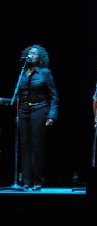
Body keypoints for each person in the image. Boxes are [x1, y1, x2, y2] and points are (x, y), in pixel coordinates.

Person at [16, 44, 59, 190]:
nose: (31, 55)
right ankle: (27, 181)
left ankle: (37, 180)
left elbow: (54, 95)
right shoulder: (23, 73)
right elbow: (19, 94)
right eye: (29, 53)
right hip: (23, 111)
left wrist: (51, 116)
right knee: (25, 146)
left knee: (36, 147)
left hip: (39, 110)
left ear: (40, 57)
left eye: (34, 53)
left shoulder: (45, 72)